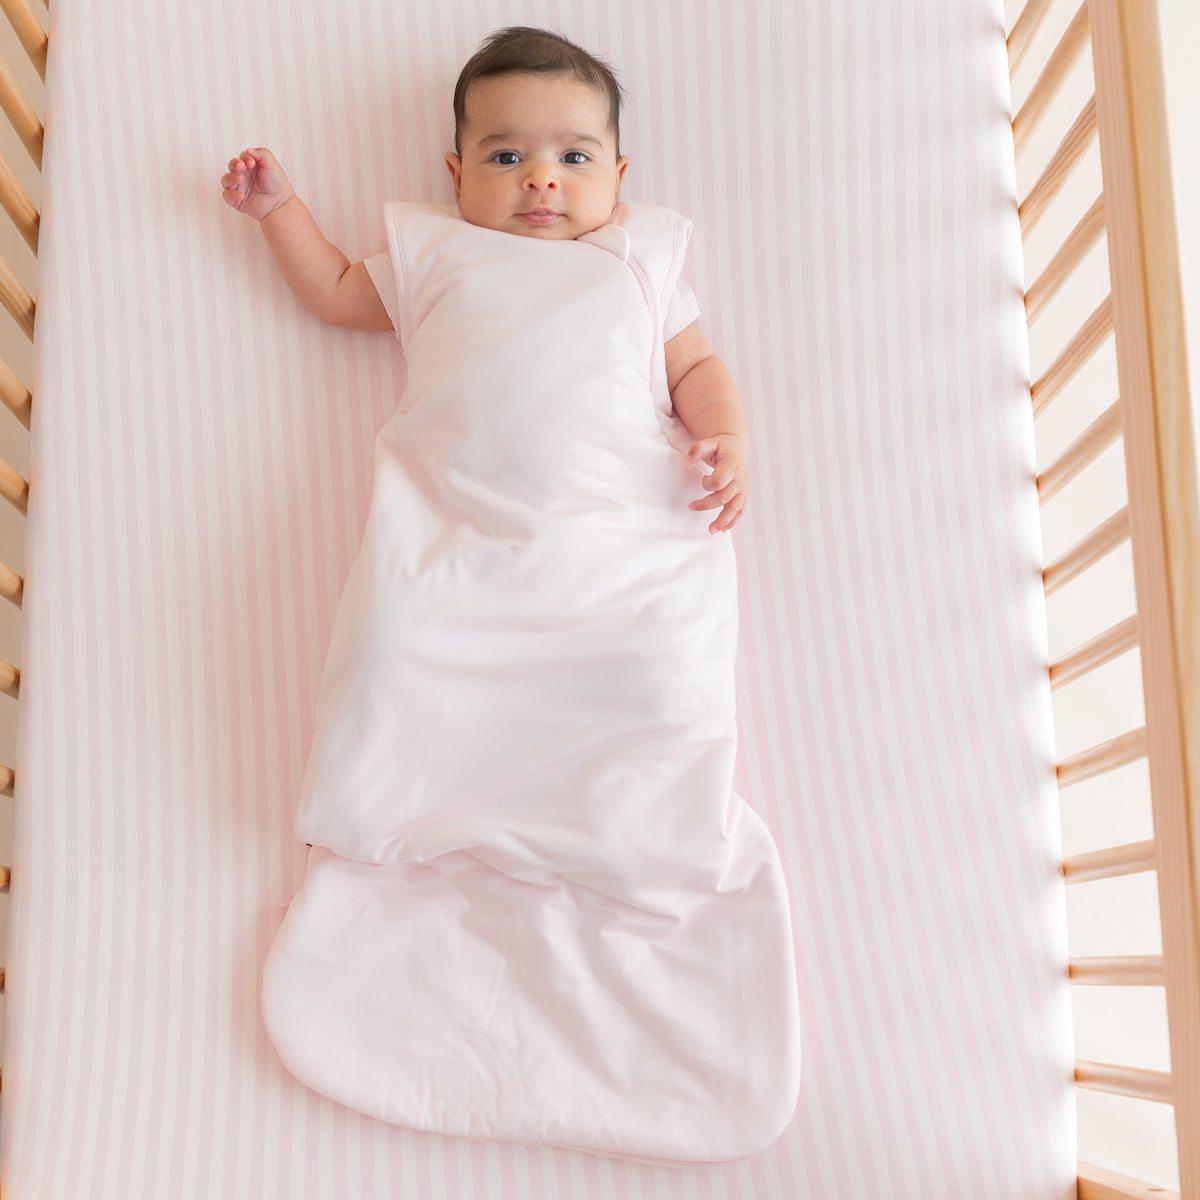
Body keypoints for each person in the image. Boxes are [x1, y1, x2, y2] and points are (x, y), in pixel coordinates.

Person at [219, 25, 749, 533]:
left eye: (573, 157)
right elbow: (335, 291)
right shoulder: (441, 254)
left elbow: (694, 365)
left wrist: (725, 434)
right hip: (456, 523)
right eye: (506, 156)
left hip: (618, 519)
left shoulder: (632, 259)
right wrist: (280, 212)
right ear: (457, 177)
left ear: (617, 177)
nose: (542, 177)